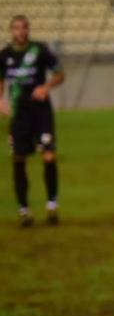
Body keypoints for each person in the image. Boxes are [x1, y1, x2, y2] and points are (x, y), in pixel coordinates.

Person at [1, 15, 63, 227]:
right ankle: (24, 211)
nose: (21, 31)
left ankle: (52, 206)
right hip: (20, 114)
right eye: (16, 28)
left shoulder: (40, 50)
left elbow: (60, 74)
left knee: (48, 156)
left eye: (24, 27)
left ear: (28, 30)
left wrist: (46, 87)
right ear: (11, 31)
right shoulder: (5, 55)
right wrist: (0, 101)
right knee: (18, 158)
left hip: (41, 112)